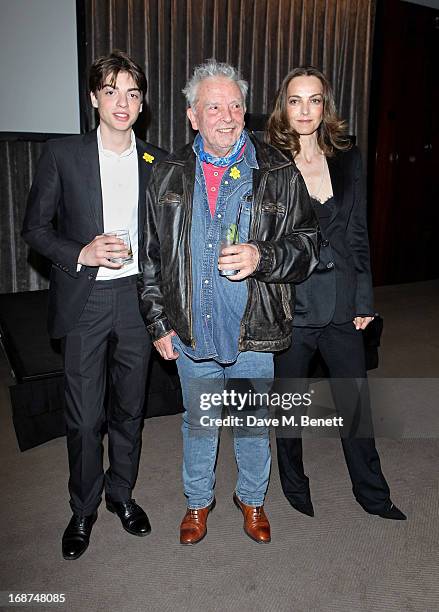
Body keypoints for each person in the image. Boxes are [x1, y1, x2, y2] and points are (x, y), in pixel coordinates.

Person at [138, 59, 320, 545]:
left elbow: (308, 246)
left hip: (252, 332)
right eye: (213, 106)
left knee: (251, 426)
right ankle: (198, 504)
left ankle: (252, 499)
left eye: (235, 105)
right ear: (192, 116)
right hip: (192, 329)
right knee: (199, 425)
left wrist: (264, 255)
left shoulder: (278, 171)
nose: (226, 115)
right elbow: (152, 258)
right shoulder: (167, 174)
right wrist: (158, 323)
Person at [22, 50, 167, 560]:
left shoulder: (158, 161)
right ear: (93, 99)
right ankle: (82, 508)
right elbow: (35, 230)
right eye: (111, 92)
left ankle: (121, 495)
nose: (122, 102)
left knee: (130, 408)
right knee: (84, 419)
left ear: (142, 103)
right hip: (85, 299)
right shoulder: (63, 155)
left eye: (132, 93)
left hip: (137, 300)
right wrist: (80, 251)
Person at [266, 66, 406, 520]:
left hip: (343, 303)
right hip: (292, 304)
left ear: (326, 106)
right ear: (283, 107)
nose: (305, 110)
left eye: (314, 100)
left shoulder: (349, 156)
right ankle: (294, 486)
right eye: (295, 100)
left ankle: (373, 494)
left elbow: (358, 232)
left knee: (355, 405)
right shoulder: (268, 160)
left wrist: (364, 299)